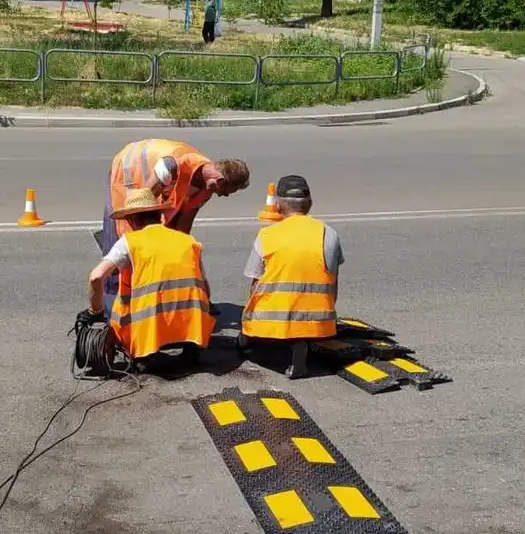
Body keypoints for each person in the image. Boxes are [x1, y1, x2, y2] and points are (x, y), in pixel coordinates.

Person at [100, 138, 249, 313]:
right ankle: (111, 308)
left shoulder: (207, 188)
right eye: (228, 191)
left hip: (146, 188)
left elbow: (184, 224)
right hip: (129, 172)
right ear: (221, 181)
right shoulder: (172, 166)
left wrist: (179, 250)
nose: (226, 196)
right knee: (123, 241)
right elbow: (141, 204)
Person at [82, 187, 214, 368]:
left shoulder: (130, 242)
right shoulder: (188, 241)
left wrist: (94, 312)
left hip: (149, 334)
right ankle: (188, 346)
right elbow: (206, 291)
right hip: (192, 331)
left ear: (131, 219)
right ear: (160, 215)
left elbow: (96, 277)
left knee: (125, 300)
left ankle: (143, 348)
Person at [240, 175, 344, 378]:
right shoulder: (329, 234)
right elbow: (334, 282)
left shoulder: (267, 235)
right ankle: (301, 342)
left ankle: (250, 338)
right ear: (310, 203)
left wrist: (248, 320)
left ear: (278, 205)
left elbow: (254, 284)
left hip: (270, 322)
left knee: (253, 321)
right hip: (319, 320)